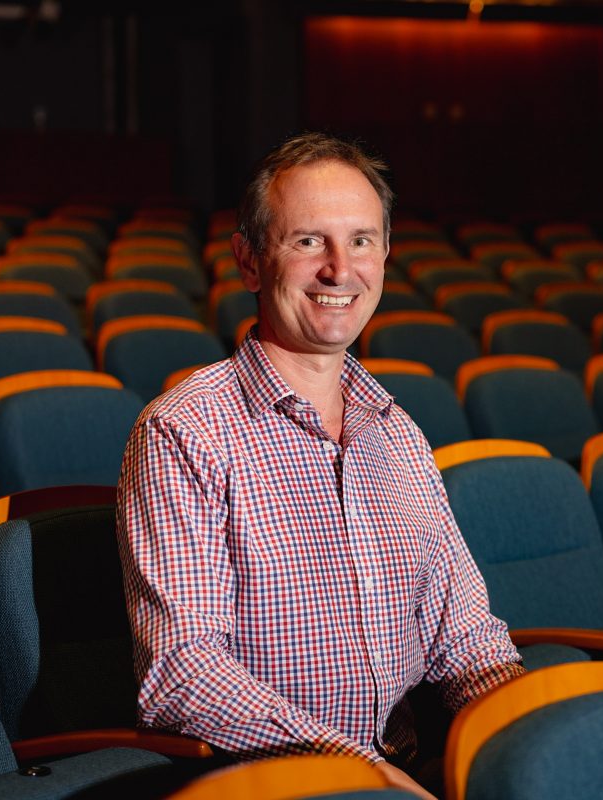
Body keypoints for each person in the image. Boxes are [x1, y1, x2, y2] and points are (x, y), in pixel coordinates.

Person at [116, 132, 524, 798]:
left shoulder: (399, 434)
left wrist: (523, 730)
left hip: (409, 770)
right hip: (273, 784)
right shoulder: (184, 432)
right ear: (249, 262)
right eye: (308, 242)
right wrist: (363, 773)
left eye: (361, 240)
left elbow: (468, 637)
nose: (340, 269)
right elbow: (184, 674)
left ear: (385, 257)